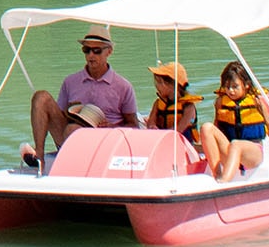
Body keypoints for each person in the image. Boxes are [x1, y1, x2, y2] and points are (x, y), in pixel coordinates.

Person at [23, 27, 140, 168]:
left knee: (73, 129)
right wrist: (69, 111)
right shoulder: (71, 81)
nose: (91, 55)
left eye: (97, 51)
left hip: (104, 142)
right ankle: (39, 155)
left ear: (109, 51)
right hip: (69, 137)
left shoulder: (123, 86)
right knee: (40, 97)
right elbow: (57, 117)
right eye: (86, 50)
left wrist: (113, 126)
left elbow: (134, 126)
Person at [210, 58, 269, 180]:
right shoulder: (220, 103)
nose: (230, 90)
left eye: (235, 86)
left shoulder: (256, 103)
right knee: (207, 128)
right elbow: (217, 127)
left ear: (246, 85)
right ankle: (217, 174)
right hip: (230, 150)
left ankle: (224, 182)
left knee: (236, 144)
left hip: (253, 153)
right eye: (227, 87)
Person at [146, 62, 219, 174]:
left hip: (184, 146)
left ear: (172, 85)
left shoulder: (188, 107)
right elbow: (151, 121)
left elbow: (179, 129)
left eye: (159, 82)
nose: (156, 86)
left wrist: (161, 135)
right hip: (161, 142)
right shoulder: (158, 103)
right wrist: (152, 127)